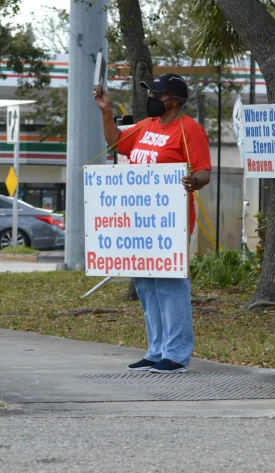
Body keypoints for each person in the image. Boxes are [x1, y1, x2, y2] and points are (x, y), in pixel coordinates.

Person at [93, 73, 211, 374]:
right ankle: (156, 349)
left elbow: (203, 172)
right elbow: (116, 142)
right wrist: (107, 111)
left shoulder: (190, 130)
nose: (153, 100)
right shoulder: (146, 127)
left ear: (175, 100)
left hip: (171, 222)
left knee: (171, 285)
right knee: (146, 284)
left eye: (158, 95)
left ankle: (176, 354)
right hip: (142, 221)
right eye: (153, 94)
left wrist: (192, 181)